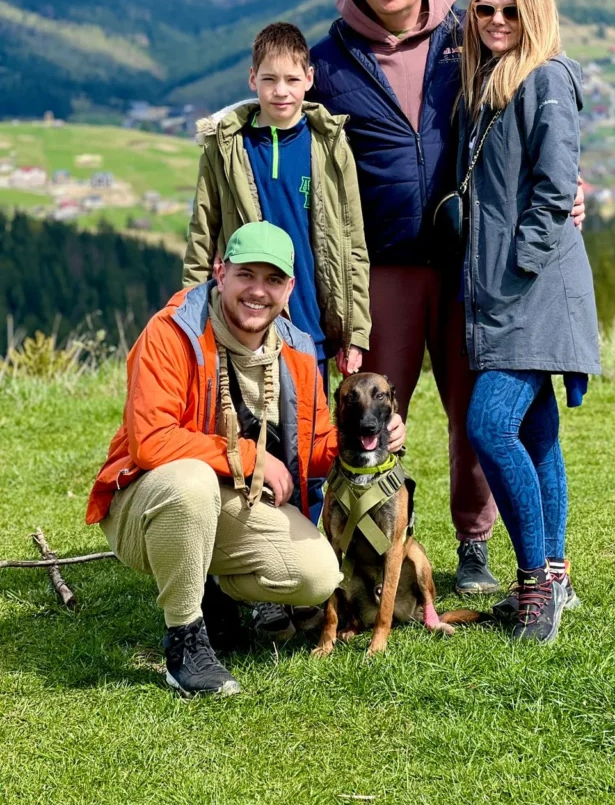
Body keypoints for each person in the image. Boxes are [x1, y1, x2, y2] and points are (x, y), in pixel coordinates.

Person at [309, 0, 586, 594]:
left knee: (475, 412)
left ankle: (475, 547)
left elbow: (535, 121)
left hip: (472, 265)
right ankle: (365, 545)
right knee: (374, 406)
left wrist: (570, 186)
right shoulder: (329, 61)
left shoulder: (469, 37)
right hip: (385, 264)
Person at [86, 221, 406, 697]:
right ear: (220, 272)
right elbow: (151, 441)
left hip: (231, 504)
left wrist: (374, 440)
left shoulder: (297, 350)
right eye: (246, 275)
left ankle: (216, 588)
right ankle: (186, 641)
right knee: (192, 483)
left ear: (288, 289)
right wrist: (250, 456)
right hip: (147, 505)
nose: (258, 291)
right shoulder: (172, 333)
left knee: (318, 574)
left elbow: (317, 448)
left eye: (273, 279)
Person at [457, 0, 601, 644]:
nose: (496, 21)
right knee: (537, 433)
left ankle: (535, 584)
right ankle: (558, 576)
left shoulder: (544, 78)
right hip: (503, 286)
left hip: (529, 288)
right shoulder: (491, 81)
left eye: (510, 10)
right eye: (485, 9)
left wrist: (519, 265)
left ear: (534, 13)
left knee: (490, 426)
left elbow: (555, 186)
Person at [183, 21, 370, 393]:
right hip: (243, 326)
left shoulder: (331, 146)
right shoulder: (226, 147)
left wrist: (356, 331)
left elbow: (353, 245)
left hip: (311, 324)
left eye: (292, 79)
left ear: (309, 79)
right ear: (253, 78)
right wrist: (189, 320)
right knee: (243, 424)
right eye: (269, 79)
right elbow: (202, 234)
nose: (280, 91)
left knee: (309, 426)